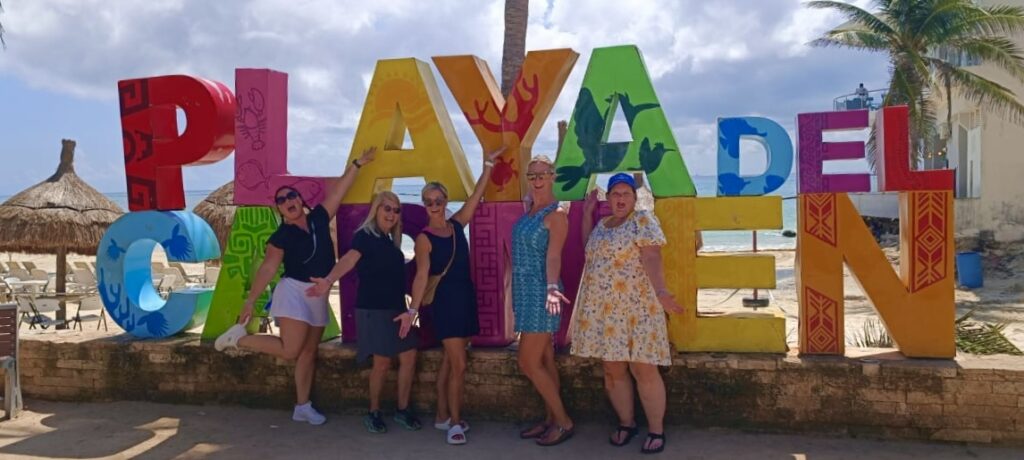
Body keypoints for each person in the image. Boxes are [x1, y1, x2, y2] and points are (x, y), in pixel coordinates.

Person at [214, 147, 377, 425]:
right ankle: (238, 339)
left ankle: (302, 406)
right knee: (291, 350)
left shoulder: (319, 218)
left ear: (301, 200)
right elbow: (268, 268)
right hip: (293, 293)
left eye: (292, 195)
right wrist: (251, 301)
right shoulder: (281, 235)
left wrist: (358, 164)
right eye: (282, 199)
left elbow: (339, 191)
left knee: (308, 352)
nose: (288, 200)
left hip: (318, 293)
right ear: (279, 209)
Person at [571, 173, 684, 454]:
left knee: (643, 368)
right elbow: (590, 249)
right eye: (615, 194)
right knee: (612, 369)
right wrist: (586, 214)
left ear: (634, 198)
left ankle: (656, 430)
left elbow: (652, 256)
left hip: (638, 309)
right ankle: (626, 423)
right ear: (608, 198)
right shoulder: (602, 224)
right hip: (606, 314)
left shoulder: (642, 220)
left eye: (626, 194)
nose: (620, 198)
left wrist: (661, 291)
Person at [408, 147, 504, 445]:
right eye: (428, 202)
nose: (433, 205)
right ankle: (455, 424)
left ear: (445, 201)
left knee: (450, 363)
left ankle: (441, 416)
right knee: (460, 364)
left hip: (465, 298)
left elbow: (476, 195)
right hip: (445, 305)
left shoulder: (456, 225)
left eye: (438, 200)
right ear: (424, 205)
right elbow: (422, 274)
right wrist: (412, 310)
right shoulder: (424, 238)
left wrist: (488, 164)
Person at [305, 191, 420, 434]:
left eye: (395, 210)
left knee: (409, 356)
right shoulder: (365, 236)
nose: (391, 213)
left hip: (397, 310)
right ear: (376, 210)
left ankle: (402, 408)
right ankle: (374, 411)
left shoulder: (390, 242)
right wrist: (328, 280)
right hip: (373, 310)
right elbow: (349, 260)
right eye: (386, 208)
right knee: (382, 363)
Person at [511, 156, 575, 446]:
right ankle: (550, 418)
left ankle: (563, 421)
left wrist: (551, 287)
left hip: (541, 293)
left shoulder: (556, 214)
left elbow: (554, 255)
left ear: (552, 176)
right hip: (524, 293)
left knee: (527, 361)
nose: (537, 180)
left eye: (543, 175)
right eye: (532, 174)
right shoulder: (531, 208)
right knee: (545, 359)